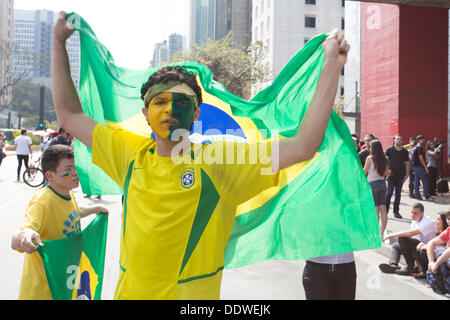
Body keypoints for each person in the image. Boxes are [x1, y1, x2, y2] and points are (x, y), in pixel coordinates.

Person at [52, 12, 350, 299]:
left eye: (181, 102)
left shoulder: (220, 162)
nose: (170, 110)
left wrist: (331, 68)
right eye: (160, 102)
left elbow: (302, 145)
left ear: (195, 114)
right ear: (145, 113)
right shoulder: (128, 154)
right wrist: (58, 42)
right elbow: (69, 115)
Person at [10, 145, 109, 299]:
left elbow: (72, 213)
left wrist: (94, 208)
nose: (75, 173)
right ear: (50, 176)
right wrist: (25, 235)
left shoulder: (66, 193)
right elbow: (19, 236)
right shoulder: (43, 201)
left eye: (76, 168)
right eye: (68, 170)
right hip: (44, 288)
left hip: (64, 281)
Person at [379, 203, 436, 276]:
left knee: (402, 239)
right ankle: (393, 265)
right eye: (412, 212)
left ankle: (410, 267)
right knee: (396, 246)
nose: (412, 215)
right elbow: (411, 236)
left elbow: (411, 233)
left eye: (415, 213)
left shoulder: (428, 222)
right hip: (415, 245)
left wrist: (390, 235)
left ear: (422, 213)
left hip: (423, 248)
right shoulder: (415, 220)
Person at [363, 140, 390, 236]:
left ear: (373, 148)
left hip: (372, 184)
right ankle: (382, 231)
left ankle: (376, 231)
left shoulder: (369, 158)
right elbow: (386, 173)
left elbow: (364, 172)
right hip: (382, 184)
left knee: (375, 209)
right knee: (383, 208)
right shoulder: (385, 158)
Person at [414, 212, 449, 279]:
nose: (435, 221)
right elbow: (432, 243)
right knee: (420, 249)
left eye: (438, 219)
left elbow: (439, 248)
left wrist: (425, 246)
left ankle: (434, 276)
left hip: (444, 257)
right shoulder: (444, 231)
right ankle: (425, 273)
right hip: (440, 256)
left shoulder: (446, 231)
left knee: (423, 251)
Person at [384, 134, 409, 219]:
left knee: (398, 194)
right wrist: (387, 170)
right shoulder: (389, 150)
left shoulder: (405, 151)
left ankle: (396, 212)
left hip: (400, 176)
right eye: (397, 139)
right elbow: (385, 161)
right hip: (391, 175)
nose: (399, 140)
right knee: (389, 193)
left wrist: (407, 174)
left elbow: (407, 163)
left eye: (400, 139)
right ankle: (385, 212)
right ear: (394, 140)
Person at [425, 211, 450, 294]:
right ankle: (437, 284)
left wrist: (437, 263)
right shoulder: (448, 230)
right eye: (448, 219)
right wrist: (431, 262)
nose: (449, 221)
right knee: (433, 253)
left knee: (439, 258)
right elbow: (431, 243)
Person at [411, 135, 431, 200]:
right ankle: (426, 195)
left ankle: (417, 196)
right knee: (425, 181)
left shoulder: (416, 147)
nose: (424, 140)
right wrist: (425, 167)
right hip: (419, 167)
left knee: (416, 182)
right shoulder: (419, 147)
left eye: (424, 139)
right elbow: (420, 157)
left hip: (415, 166)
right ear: (419, 140)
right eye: (422, 139)